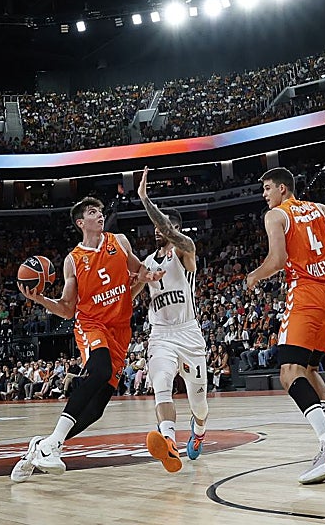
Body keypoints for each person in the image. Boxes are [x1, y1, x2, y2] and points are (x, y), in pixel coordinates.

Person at [11, 197, 164, 482]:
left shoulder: (119, 241)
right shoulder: (73, 260)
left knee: (96, 409)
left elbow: (139, 269)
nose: (100, 215)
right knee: (100, 370)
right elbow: (68, 308)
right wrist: (41, 298)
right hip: (91, 324)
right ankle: (54, 444)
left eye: (101, 211)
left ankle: (40, 447)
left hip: (120, 328)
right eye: (93, 212)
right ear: (81, 222)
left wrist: (149, 274)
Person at [243, 167, 325, 485]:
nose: (264, 194)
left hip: (306, 294)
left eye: (267, 188)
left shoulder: (277, 216)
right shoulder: (318, 209)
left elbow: (278, 260)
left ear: (283, 189)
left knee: (289, 373)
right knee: (309, 369)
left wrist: (254, 275)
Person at [135, 167, 210, 472]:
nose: (157, 230)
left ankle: (199, 431)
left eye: (163, 227)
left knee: (198, 403)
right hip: (161, 334)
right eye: (155, 227)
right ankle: (169, 443)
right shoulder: (147, 263)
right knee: (161, 384)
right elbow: (131, 291)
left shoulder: (186, 252)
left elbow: (168, 230)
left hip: (189, 333)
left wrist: (144, 198)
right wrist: (138, 278)